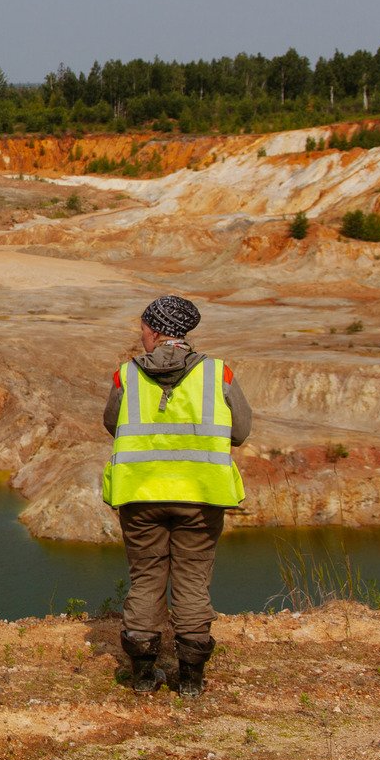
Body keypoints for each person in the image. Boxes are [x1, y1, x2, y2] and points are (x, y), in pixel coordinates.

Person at [101, 294, 253, 696]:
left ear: (154, 330)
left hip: (140, 494)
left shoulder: (125, 374)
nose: (141, 335)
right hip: (201, 498)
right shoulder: (219, 374)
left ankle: (144, 675)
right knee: (192, 581)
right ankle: (191, 680)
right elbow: (239, 432)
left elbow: (111, 424)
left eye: (142, 328)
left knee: (147, 578)